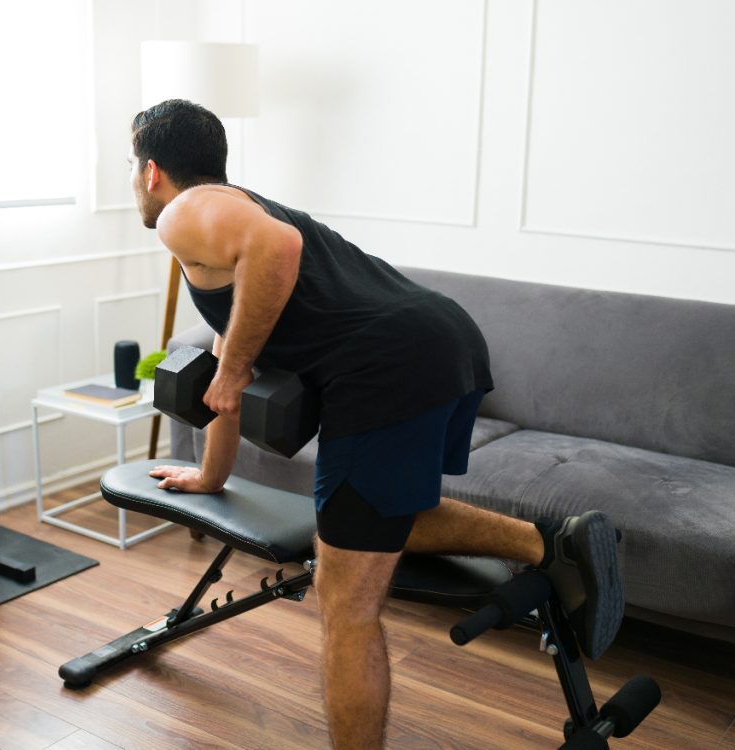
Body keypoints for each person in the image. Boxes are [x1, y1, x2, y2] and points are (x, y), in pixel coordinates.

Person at [129, 99, 624, 749]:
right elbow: (229, 360)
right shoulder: (232, 222)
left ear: (152, 171)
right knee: (375, 513)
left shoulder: (185, 214)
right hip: (443, 339)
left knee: (345, 600)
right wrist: (211, 475)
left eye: (131, 168)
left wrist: (237, 366)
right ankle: (551, 542)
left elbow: (276, 254)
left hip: (389, 368)